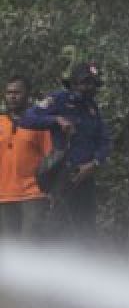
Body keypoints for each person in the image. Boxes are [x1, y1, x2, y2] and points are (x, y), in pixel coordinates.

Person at [19, 62, 111, 240]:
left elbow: (105, 140)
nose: (89, 87)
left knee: (86, 229)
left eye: (93, 83)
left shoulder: (93, 108)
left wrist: (95, 163)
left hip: (86, 177)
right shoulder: (58, 99)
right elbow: (27, 119)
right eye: (85, 82)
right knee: (58, 228)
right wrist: (56, 120)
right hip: (63, 176)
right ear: (74, 83)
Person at [0, 75, 52, 238]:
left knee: (30, 248)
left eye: (17, 92)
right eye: (9, 92)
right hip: (4, 195)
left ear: (28, 94)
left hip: (33, 194)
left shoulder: (40, 123)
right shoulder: (1, 121)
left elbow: (51, 157)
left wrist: (52, 191)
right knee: (9, 250)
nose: (13, 96)